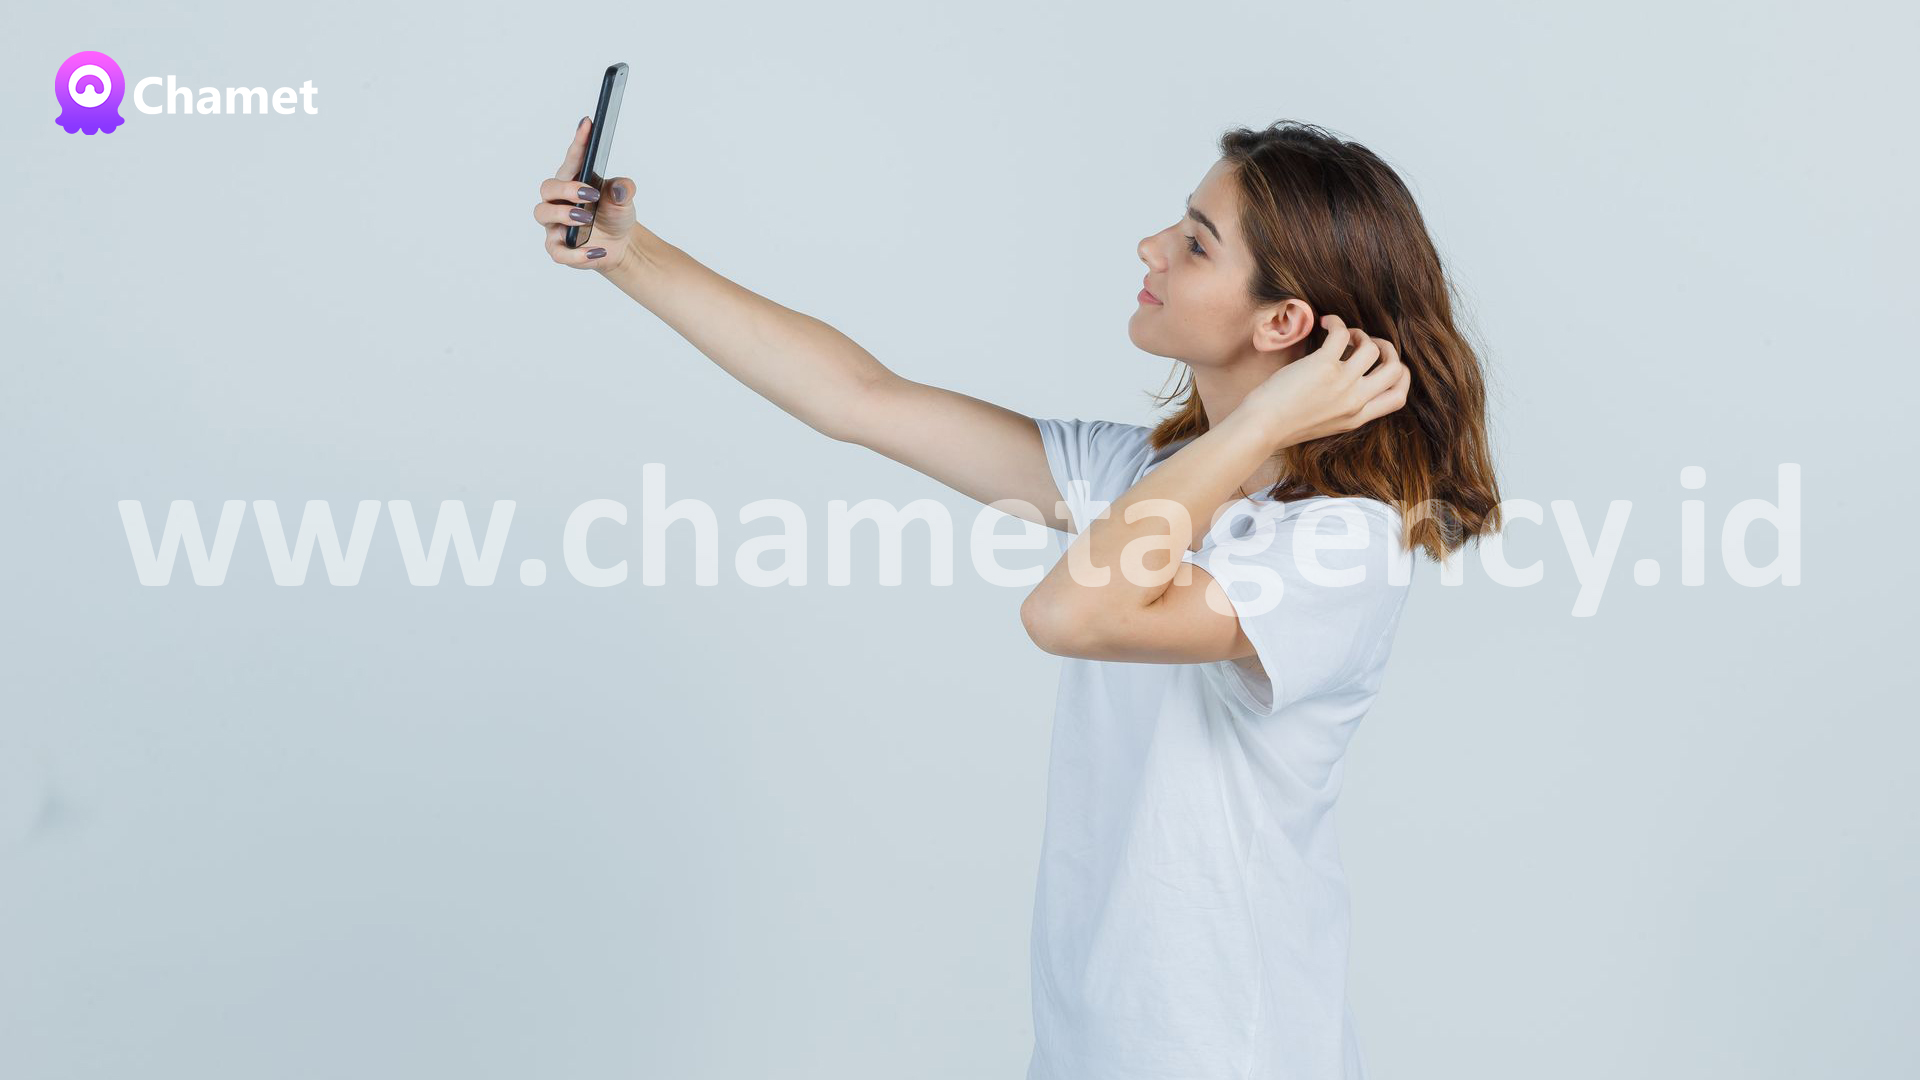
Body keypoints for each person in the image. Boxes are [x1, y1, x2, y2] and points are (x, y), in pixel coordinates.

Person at [531, 116, 1503, 1079]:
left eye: (1196, 242)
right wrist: (630, 253)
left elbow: (1072, 614)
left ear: (1281, 323)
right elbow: (858, 398)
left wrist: (1260, 427)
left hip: (1227, 1053)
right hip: (1093, 1050)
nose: (1152, 247)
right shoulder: (1149, 481)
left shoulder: (1340, 541)